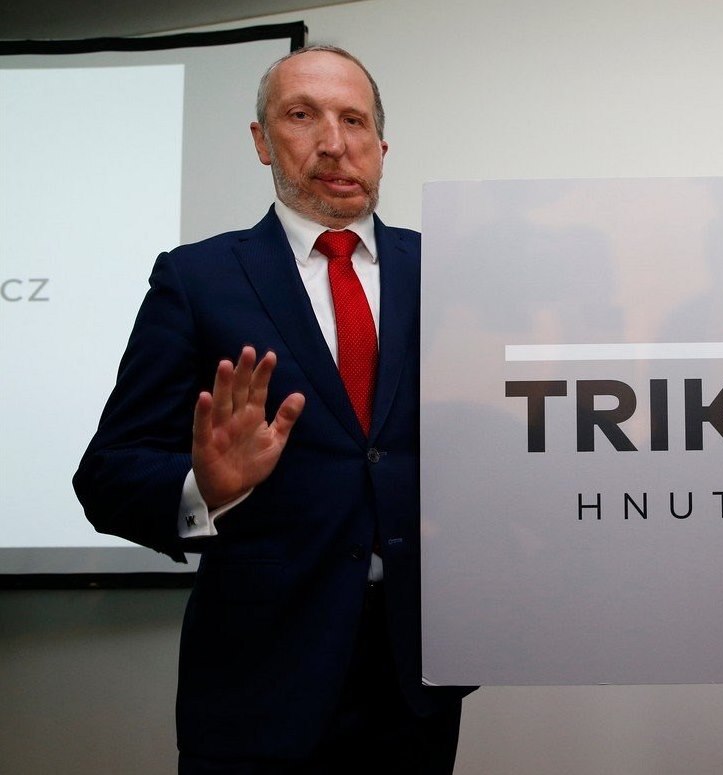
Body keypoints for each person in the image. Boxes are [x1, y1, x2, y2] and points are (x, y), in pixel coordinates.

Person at [73, 45, 471, 773]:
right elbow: (107, 474)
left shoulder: (454, 269)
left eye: (354, 120)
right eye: (302, 115)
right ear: (262, 141)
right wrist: (205, 489)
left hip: (415, 681)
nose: (334, 142)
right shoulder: (197, 280)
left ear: (382, 148)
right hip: (258, 683)